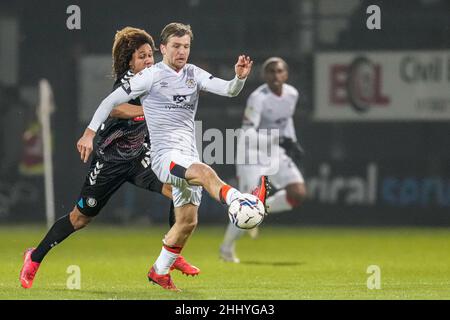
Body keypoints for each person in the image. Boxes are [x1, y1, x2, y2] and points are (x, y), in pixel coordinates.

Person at [76, 22, 268, 291]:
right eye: (176, 46)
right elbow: (109, 102)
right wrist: (89, 133)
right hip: (165, 157)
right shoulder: (150, 76)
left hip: (188, 152)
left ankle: (159, 271)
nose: (182, 51)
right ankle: (238, 202)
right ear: (163, 48)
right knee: (203, 172)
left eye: (186, 46)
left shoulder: (192, 73)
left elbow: (229, 90)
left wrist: (239, 77)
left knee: (188, 221)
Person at [19, 27, 199, 289]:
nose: (148, 60)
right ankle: (33, 258)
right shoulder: (128, 82)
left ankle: (171, 256)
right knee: (80, 219)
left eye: (150, 55)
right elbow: (115, 107)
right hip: (111, 162)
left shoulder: (156, 77)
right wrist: (152, 109)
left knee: (179, 189)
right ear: (130, 62)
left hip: (139, 158)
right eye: (141, 56)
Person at [220, 57, 307, 263]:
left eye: (279, 71)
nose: (275, 76)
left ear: (286, 74)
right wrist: (280, 139)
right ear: (263, 75)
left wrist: (292, 142)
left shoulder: (292, 94)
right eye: (270, 72)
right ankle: (226, 249)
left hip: (275, 150)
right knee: (247, 204)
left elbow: (286, 122)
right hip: (251, 152)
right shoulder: (258, 98)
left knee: (298, 193)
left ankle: (258, 210)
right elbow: (246, 134)